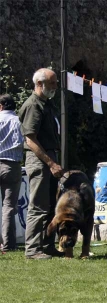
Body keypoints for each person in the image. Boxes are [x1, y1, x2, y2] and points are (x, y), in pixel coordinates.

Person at [18, 68, 64, 259]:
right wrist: (51, 163)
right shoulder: (33, 106)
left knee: (51, 205)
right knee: (38, 206)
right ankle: (33, 249)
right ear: (39, 84)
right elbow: (30, 139)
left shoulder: (46, 104)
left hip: (49, 158)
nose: (55, 87)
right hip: (39, 160)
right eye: (52, 83)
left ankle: (47, 246)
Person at [0, 94, 24, 252]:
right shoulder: (19, 121)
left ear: (1, 106)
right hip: (12, 165)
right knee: (9, 206)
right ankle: (8, 244)